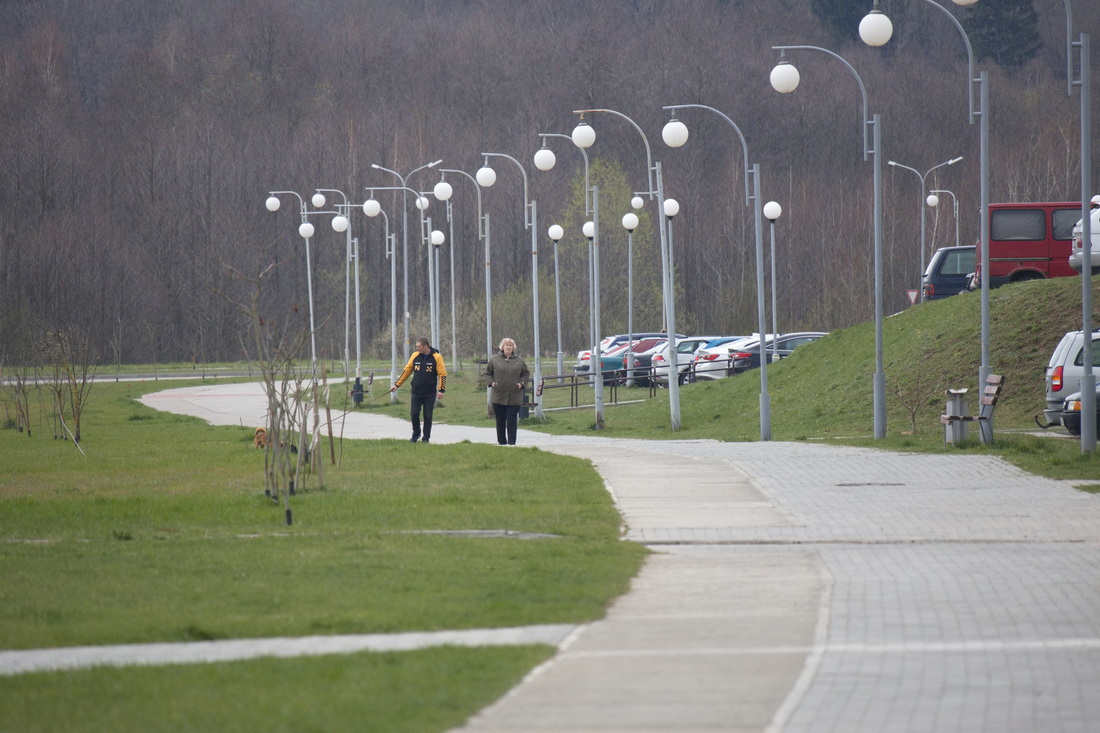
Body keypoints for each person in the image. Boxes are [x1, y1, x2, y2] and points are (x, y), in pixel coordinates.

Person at [390, 337, 446, 443]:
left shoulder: (437, 357)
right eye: (416, 346)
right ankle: (416, 434)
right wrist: (397, 385)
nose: (417, 348)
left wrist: (441, 390)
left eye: (419, 347)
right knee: (414, 414)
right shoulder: (415, 356)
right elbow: (406, 371)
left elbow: (442, 375)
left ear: (425, 346)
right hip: (416, 392)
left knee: (428, 415)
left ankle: (426, 438)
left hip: (429, 393)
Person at [483, 337, 531, 446]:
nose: (508, 347)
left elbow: (525, 374)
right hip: (498, 396)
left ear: (513, 347)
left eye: (510, 345)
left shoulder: (519, 361)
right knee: (500, 420)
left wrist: (521, 384)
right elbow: (487, 373)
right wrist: (492, 383)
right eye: (506, 345)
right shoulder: (494, 360)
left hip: (514, 396)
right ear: (502, 347)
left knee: (512, 419)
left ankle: (512, 442)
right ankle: (501, 442)